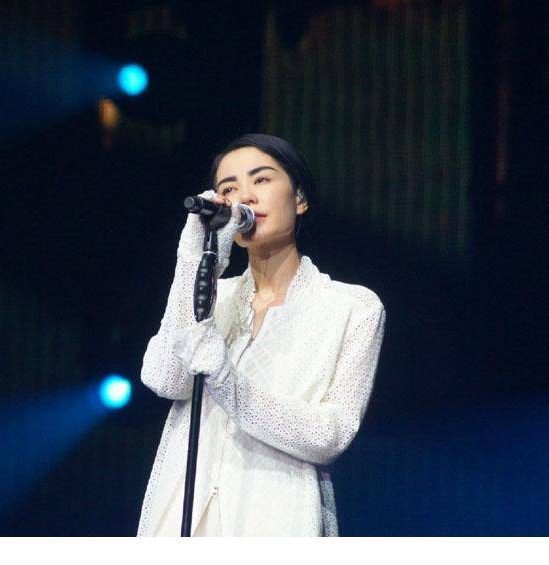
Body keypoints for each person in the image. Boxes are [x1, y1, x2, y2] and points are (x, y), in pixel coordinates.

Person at [137, 134, 386, 536]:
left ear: (300, 198)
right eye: (228, 189)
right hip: (184, 512)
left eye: (262, 180)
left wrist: (227, 381)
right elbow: (166, 379)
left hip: (275, 517)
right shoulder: (214, 295)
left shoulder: (352, 307)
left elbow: (330, 434)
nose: (245, 197)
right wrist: (194, 261)